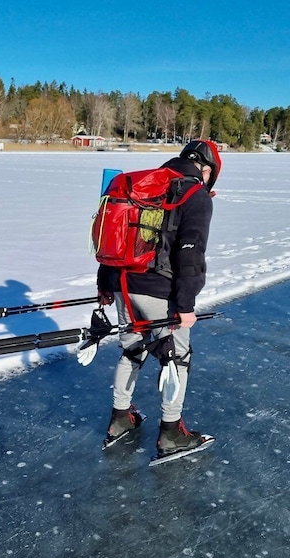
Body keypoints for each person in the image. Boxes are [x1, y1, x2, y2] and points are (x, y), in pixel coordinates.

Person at [97, 139, 221, 457]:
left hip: (122, 280)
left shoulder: (146, 186)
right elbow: (190, 254)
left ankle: (120, 419)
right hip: (159, 290)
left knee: (132, 350)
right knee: (177, 358)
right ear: (206, 170)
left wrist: (105, 284)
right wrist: (185, 305)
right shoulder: (195, 196)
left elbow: (111, 233)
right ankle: (170, 433)